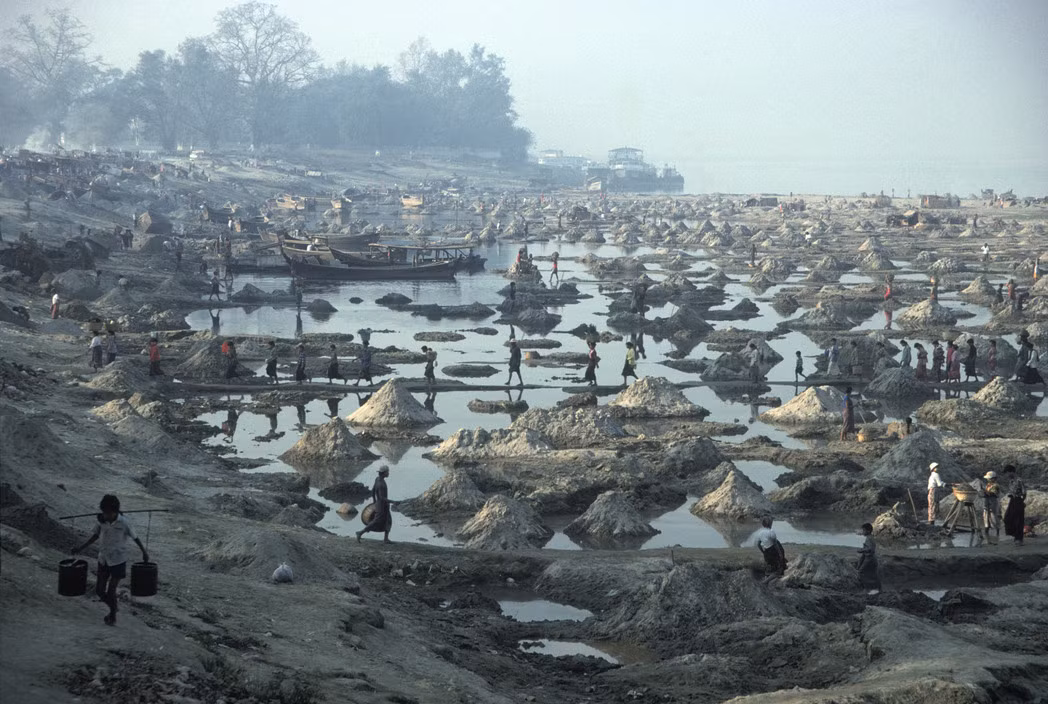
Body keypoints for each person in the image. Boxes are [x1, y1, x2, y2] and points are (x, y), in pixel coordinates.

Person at [72, 495, 149, 626]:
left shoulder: (124, 523)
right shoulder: (101, 521)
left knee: (111, 590)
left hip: (118, 560)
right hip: (103, 559)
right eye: (104, 512)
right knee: (99, 591)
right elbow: (95, 536)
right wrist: (80, 548)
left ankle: (112, 615)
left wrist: (144, 552)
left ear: (115, 511)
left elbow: (136, 538)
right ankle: (113, 607)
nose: (105, 515)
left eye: (108, 513)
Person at [356, 466, 392, 543]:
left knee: (388, 520)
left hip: (380, 504)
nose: (388, 473)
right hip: (381, 505)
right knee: (376, 521)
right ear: (384, 473)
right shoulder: (381, 484)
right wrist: (393, 501)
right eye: (387, 472)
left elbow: (373, 491)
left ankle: (386, 539)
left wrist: (374, 502)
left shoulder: (377, 479)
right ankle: (360, 532)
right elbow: (382, 498)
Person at [1002, 465, 1026, 546]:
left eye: (1007, 473)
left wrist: (1021, 501)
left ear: (1011, 472)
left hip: (1018, 500)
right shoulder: (1011, 481)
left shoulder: (1019, 480)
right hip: (1012, 500)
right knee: (1007, 518)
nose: (1006, 475)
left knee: (1018, 520)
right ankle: (1014, 535)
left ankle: (1019, 539)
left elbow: (1024, 492)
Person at [857, 523, 881, 593]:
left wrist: (862, 550)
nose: (863, 532)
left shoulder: (870, 538)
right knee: (873, 574)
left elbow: (870, 549)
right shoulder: (869, 538)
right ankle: (878, 589)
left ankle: (866, 587)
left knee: (861, 572)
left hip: (870, 558)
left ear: (868, 531)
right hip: (870, 558)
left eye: (864, 530)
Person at [982, 471, 1001, 542]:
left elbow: (993, 494)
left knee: (993, 517)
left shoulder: (996, 485)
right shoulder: (988, 485)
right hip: (987, 502)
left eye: (989, 478)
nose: (988, 480)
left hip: (992, 502)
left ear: (993, 478)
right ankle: (986, 531)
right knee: (986, 516)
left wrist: (985, 492)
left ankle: (997, 533)